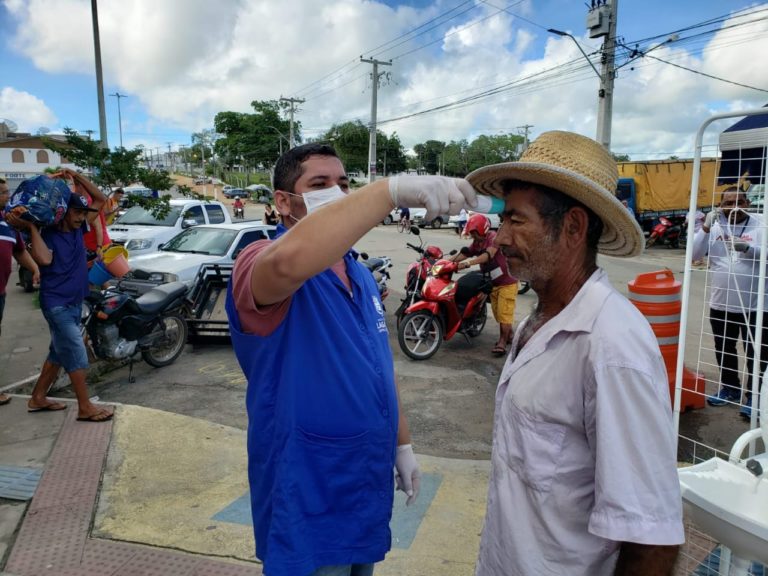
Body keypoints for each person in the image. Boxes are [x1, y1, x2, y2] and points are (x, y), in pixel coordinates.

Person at [225, 142, 475, 576]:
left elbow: (379, 365)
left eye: (344, 185)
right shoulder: (259, 261)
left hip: (363, 478)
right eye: (319, 185)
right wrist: (389, 191)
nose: (337, 195)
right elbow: (285, 266)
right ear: (284, 202)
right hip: (308, 481)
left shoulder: (358, 273)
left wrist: (403, 444)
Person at [467, 131, 684, 576]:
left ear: (572, 227)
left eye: (516, 221)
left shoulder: (611, 345)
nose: (500, 239)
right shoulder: (541, 318)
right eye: (501, 221)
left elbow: (650, 536)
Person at [6, 169, 113, 422]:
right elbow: (43, 259)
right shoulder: (48, 234)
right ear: (64, 214)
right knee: (75, 350)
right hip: (57, 304)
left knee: (58, 352)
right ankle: (85, 407)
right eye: (76, 213)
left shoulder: (78, 228)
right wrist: (32, 226)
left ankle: (38, 397)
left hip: (75, 301)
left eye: (82, 213)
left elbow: (98, 200)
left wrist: (76, 177)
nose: (80, 218)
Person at [692, 187, 766, 419]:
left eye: (739, 201)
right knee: (724, 349)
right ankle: (730, 389)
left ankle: (755, 397)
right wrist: (705, 227)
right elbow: (694, 254)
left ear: (747, 202)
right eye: (728, 202)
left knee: (758, 353)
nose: (734, 206)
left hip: (756, 306)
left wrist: (749, 249)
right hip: (721, 303)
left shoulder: (761, 223)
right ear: (720, 205)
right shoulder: (714, 226)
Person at [449, 213, 518, 355]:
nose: (473, 237)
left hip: (507, 282)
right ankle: (510, 335)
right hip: (492, 283)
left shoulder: (493, 237)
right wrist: (448, 262)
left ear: (482, 230)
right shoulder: (477, 242)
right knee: (499, 313)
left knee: (504, 313)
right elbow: (466, 253)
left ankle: (502, 342)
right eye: (472, 234)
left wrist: (467, 264)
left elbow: (488, 255)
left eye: (475, 233)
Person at [0, 177, 40, 405]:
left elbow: (19, 251)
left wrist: (34, 269)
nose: (8, 197)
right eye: (3, 193)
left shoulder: (7, 225)